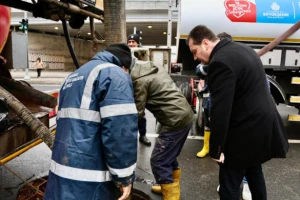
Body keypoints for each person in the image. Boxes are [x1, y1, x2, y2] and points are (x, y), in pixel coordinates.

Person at [187, 25, 289, 200]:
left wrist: (217, 149)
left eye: (195, 51)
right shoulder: (244, 49)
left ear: (205, 43)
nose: (195, 57)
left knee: (229, 185)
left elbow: (221, 109)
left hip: (243, 132)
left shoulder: (219, 62)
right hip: (262, 126)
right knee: (254, 172)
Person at [44, 43, 138, 200]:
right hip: (90, 183)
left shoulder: (73, 77)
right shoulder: (114, 74)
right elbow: (120, 131)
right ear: (124, 66)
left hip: (60, 177)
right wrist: (124, 176)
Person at [129, 60, 194, 199]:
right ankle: (169, 184)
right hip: (184, 114)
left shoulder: (139, 80)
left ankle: (171, 195)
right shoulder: (152, 67)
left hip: (175, 120)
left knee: (159, 159)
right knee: (169, 156)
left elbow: (138, 112)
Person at [127, 33, 151, 146]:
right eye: (129, 42)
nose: (131, 44)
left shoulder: (143, 54)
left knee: (140, 112)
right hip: (127, 85)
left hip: (139, 85)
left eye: (133, 42)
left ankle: (142, 135)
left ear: (138, 43)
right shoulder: (124, 53)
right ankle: (129, 136)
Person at [195, 63, 211, 158]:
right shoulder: (209, 63)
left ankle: (219, 149)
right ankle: (206, 147)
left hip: (221, 99)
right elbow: (198, 71)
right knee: (207, 124)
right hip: (208, 98)